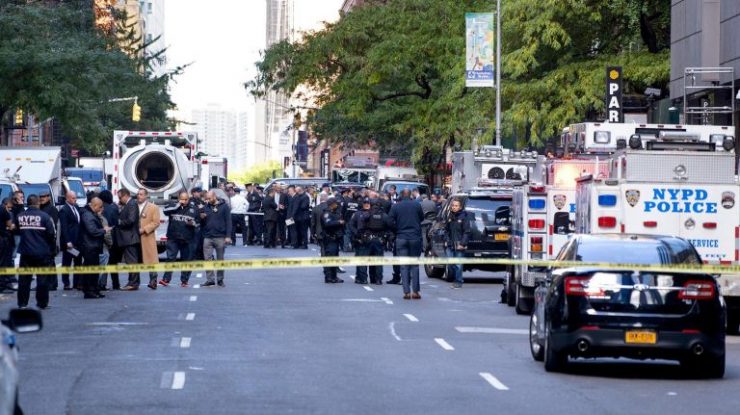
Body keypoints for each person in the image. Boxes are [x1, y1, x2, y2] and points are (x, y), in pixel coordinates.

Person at [16, 195, 56, 309]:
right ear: (38, 203)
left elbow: (16, 231)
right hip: (42, 253)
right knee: (42, 280)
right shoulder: (45, 217)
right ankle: (42, 303)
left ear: (27, 203)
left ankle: (22, 303)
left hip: (26, 253)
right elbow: (51, 235)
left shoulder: (20, 216)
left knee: (24, 280)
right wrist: (51, 250)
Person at [389, 189, 423, 300]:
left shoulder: (396, 206)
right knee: (414, 265)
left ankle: (406, 292)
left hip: (401, 237)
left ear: (401, 195)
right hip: (414, 237)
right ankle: (416, 292)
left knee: (403, 266)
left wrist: (396, 230)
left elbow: (389, 221)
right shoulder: (417, 205)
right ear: (411, 195)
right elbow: (422, 218)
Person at [162, 191, 198, 287]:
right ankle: (166, 279)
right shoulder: (173, 205)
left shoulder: (193, 209)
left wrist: (193, 224)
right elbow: (165, 211)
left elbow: (198, 223)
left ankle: (184, 280)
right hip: (173, 237)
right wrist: (178, 205)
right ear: (179, 199)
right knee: (170, 258)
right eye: (182, 199)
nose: (184, 201)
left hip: (187, 238)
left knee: (186, 260)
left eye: (186, 199)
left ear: (188, 199)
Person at [79, 197, 109, 299]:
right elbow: (92, 231)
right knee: (90, 271)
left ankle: (94, 289)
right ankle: (89, 291)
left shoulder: (91, 214)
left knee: (94, 270)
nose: (101, 209)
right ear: (95, 205)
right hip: (89, 246)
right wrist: (104, 230)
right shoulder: (87, 215)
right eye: (100, 207)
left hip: (93, 246)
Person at [201, 190, 231, 287]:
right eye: (207, 199)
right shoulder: (206, 207)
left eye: (210, 198)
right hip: (208, 237)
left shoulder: (224, 206)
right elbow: (201, 222)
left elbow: (228, 222)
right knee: (207, 259)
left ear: (215, 196)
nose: (208, 200)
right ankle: (210, 279)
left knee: (220, 259)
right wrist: (202, 217)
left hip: (220, 237)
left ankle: (220, 279)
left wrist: (228, 236)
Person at [117, 189, 143, 291]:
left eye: (120, 197)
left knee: (132, 261)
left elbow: (131, 220)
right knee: (131, 261)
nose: (119, 200)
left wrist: (119, 222)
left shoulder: (131, 204)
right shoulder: (129, 204)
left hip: (130, 238)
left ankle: (133, 283)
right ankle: (133, 282)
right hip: (129, 237)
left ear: (125, 196)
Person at [137, 188, 161, 289]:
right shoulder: (133, 206)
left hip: (147, 236)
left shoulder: (153, 207)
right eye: (138, 194)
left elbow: (156, 222)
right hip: (134, 237)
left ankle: (153, 281)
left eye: (141, 194)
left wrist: (144, 229)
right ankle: (134, 282)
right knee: (135, 259)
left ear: (146, 196)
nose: (139, 196)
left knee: (151, 260)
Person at [58, 190, 82, 290]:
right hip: (69, 241)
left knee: (78, 262)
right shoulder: (64, 210)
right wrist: (67, 241)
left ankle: (76, 283)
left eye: (75, 197)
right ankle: (66, 283)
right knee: (66, 263)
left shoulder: (76, 207)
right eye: (73, 198)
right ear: (67, 198)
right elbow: (64, 227)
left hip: (78, 240)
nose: (75, 199)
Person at [445, 198, 471, 289]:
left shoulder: (464, 217)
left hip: (459, 244)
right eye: (453, 205)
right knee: (450, 263)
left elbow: (467, 232)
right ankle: (455, 279)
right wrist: (447, 241)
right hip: (450, 244)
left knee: (458, 264)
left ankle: (458, 282)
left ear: (460, 207)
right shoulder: (449, 216)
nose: (454, 207)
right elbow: (446, 231)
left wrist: (462, 244)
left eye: (456, 206)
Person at [98, 190, 120, 290]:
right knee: (113, 262)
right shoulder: (114, 208)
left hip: (103, 238)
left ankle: (102, 284)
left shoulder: (100, 209)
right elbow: (117, 223)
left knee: (104, 262)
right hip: (114, 237)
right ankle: (116, 284)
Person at [320, 198, 344, 283]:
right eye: (335, 204)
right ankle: (329, 277)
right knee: (330, 258)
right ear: (331, 204)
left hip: (335, 238)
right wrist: (339, 222)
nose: (337, 205)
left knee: (334, 258)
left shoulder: (334, 212)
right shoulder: (326, 213)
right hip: (329, 238)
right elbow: (327, 223)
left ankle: (334, 276)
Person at [0, 198, 16, 292]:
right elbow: (10, 225)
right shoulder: (3, 210)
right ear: (7, 204)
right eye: (10, 207)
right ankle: (2, 285)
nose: (10, 209)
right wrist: (11, 226)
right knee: (3, 263)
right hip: (3, 239)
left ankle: (5, 283)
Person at [190, 187, 206, 261]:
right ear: (193, 192)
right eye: (198, 192)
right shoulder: (190, 201)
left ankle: (200, 256)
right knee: (194, 243)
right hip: (194, 224)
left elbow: (204, 209)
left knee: (201, 242)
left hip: (202, 225)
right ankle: (192, 257)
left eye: (200, 192)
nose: (200, 193)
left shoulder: (201, 201)